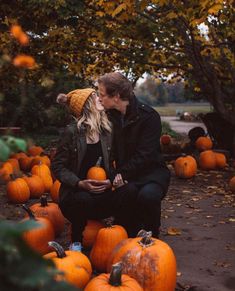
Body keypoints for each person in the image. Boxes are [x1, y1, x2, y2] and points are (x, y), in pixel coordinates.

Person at [51, 88, 136, 251]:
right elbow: (58, 166)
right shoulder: (72, 132)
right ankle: (76, 241)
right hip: (76, 197)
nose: (99, 98)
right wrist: (79, 183)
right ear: (86, 105)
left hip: (102, 194)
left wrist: (112, 180)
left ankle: (121, 236)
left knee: (129, 191)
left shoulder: (106, 131)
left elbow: (112, 163)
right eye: (95, 96)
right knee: (83, 199)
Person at [97, 72, 171, 238]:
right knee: (126, 194)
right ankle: (130, 233)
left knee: (148, 195)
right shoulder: (108, 117)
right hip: (126, 175)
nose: (99, 98)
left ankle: (153, 237)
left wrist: (120, 175)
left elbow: (145, 155)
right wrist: (113, 175)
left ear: (116, 96)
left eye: (102, 95)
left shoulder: (149, 117)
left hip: (152, 173)